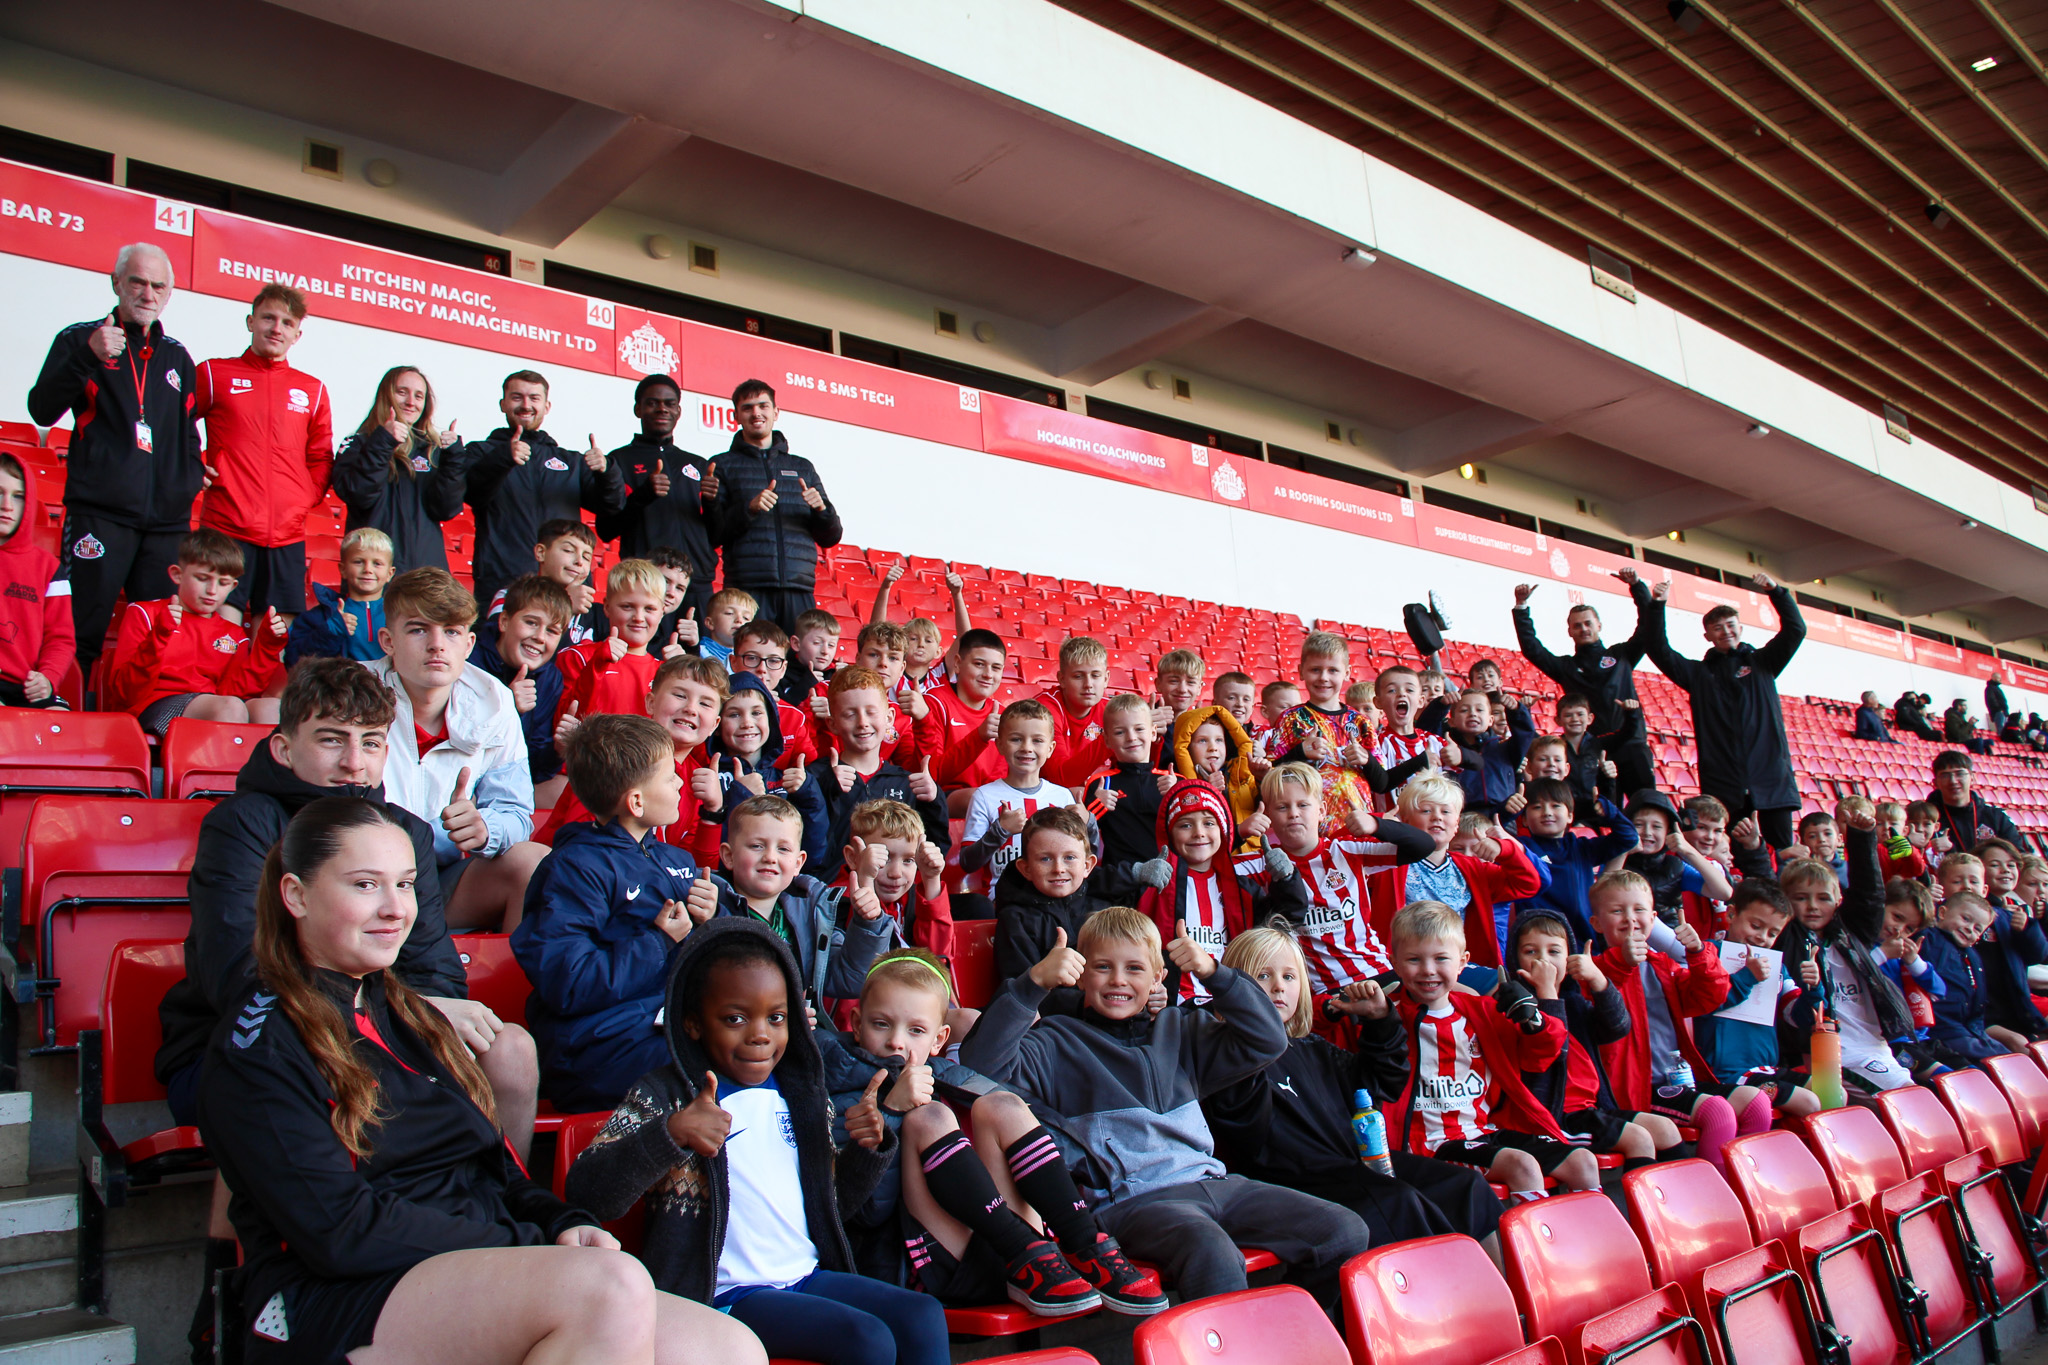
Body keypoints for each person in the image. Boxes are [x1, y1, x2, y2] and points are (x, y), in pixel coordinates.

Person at [198, 795, 759, 1365]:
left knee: (728, 1349)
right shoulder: (261, 1043)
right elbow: (338, 1231)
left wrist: (560, 1222)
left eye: (407, 884)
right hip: (331, 1295)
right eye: (365, 885)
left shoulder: (411, 1016)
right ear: (295, 895)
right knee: (606, 1290)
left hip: (466, 1259)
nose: (395, 908)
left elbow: (496, 1168)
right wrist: (529, 1248)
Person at [156, 657, 536, 1151]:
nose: (354, 763)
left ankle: (508, 1210)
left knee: (510, 1049)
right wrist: (398, 1011)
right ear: (284, 748)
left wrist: (413, 1013)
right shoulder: (244, 824)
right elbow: (239, 975)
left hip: (376, 1029)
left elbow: (436, 972)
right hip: (251, 1042)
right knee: (343, 1074)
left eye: (372, 742)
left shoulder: (406, 832)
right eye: (332, 739)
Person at [562, 918, 947, 1365]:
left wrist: (866, 1150)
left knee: (921, 1315)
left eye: (776, 1017)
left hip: (802, 1277)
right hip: (720, 1293)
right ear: (692, 1023)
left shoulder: (802, 1096)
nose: (760, 1034)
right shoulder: (665, 1096)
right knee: (866, 1339)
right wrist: (671, 1134)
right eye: (735, 1018)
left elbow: (834, 1209)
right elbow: (588, 1193)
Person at [963, 906, 1373, 1313]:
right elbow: (982, 1066)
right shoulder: (1054, 1042)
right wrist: (1033, 983)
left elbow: (1268, 1039)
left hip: (1215, 1183)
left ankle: (1283, 1339)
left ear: (1159, 976)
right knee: (1212, 1250)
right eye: (1103, 967)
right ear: (1082, 973)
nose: (1119, 980)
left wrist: (1214, 972)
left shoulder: (1181, 1030)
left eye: (1135, 969)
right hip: (1134, 1202)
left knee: (1343, 1231)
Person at [822, 947, 1163, 1316]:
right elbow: (866, 1212)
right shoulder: (845, 1097)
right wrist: (890, 1113)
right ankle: (1020, 1248)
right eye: (881, 1024)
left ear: (939, 1039)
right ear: (855, 1023)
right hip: (932, 1264)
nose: (897, 1042)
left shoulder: (952, 1076)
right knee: (929, 1116)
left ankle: (1088, 1244)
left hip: (1029, 1262)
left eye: (916, 1030)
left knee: (1002, 1103)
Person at [1204, 928, 1506, 1260]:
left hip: (1352, 1165)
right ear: (1233, 989)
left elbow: (1380, 1085)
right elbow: (1245, 1133)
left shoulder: (1312, 1048)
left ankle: (1506, 1301)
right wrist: (1254, 1036)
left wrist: (1380, 1020)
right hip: (1289, 1183)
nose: (1279, 986)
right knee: (1395, 1200)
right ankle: (1440, 1304)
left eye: (1289, 976)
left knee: (1465, 1187)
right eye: (1263, 975)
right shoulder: (1225, 1055)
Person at [513, 713, 718, 1111]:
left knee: (776, 1042)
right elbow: (568, 983)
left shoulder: (676, 859)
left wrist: (707, 919)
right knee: (724, 1064)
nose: (680, 782)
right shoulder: (573, 869)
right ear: (636, 801)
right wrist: (659, 942)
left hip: (668, 1026)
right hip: (594, 1050)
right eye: (669, 776)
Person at [27, 243, 199, 671]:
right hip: (101, 515)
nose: (147, 293)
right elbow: (41, 409)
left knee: (152, 642)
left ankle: (134, 732)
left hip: (165, 526)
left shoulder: (177, 356)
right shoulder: (79, 339)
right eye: (138, 282)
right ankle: (68, 724)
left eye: (158, 285)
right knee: (82, 630)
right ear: (116, 283)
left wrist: (190, 478)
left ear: (169, 292)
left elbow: (187, 434)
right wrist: (88, 355)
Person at [1361, 901, 1597, 1204]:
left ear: (1463, 962)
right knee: (1522, 1167)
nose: (1429, 970)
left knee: (1584, 1162)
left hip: (1486, 1131)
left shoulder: (1482, 1012)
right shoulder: (1385, 1017)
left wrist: (1533, 1019)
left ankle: (1587, 1247)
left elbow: (1542, 1055)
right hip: (1432, 1144)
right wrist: (1340, 1008)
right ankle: (1532, 1251)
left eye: (1441, 958)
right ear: (1393, 961)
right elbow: (1325, 1025)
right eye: (1414, 960)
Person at [369, 569, 546, 932]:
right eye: (419, 629)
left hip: (442, 879)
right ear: (387, 640)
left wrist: (485, 828)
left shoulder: (495, 700)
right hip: (363, 874)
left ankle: (509, 988)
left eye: (450, 631)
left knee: (533, 861)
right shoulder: (352, 692)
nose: (437, 645)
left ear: (467, 644)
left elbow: (516, 813)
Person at [192, 284, 332, 622]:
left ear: (297, 334)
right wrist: (191, 465)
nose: (276, 328)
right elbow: (174, 426)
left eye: (286, 322)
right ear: (250, 321)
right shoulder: (213, 373)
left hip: (286, 534)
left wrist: (303, 497)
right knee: (221, 635)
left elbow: (321, 456)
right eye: (268, 317)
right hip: (227, 525)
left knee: (274, 642)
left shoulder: (312, 390)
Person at [1637, 571, 1806, 853]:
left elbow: (1795, 630)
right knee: (1732, 854)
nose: (1726, 631)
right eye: (1718, 627)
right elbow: (1658, 648)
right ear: (1707, 635)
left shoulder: (1763, 663)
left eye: (1730, 625)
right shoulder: (1698, 674)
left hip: (1771, 776)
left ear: (1740, 628)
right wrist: (1657, 605)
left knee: (1783, 853)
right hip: (1724, 783)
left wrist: (1777, 592)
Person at [459, 370, 626, 612]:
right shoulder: (481, 452)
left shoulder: (571, 461)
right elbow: (472, 494)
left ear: (546, 406)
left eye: (534, 398)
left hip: (567, 585)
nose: (526, 405)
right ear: (503, 404)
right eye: (517, 397)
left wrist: (607, 472)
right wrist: (503, 458)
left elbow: (611, 507)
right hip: (504, 581)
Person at [103, 529, 287, 733]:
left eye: (223, 583)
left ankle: (260, 766)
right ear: (177, 575)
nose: (212, 590)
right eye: (202, 578)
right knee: (229, 707)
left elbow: (234, 692)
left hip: (209, 705)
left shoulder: (234, 635)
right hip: (150, 705)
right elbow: (126, 693)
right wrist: (159, 636)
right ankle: (216, 766)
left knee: (272, 708)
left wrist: (267, 647)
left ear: (233, 586)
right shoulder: (145, 613)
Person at [705, 379, 842, 630]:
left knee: (796, 663)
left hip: (798, 587)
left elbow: (831, 536)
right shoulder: (722, 464)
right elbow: (714, 533)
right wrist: (750, 509)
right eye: (747, 408)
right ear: (736, 416)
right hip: (747, 587)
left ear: (775, 413)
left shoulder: (803, 466)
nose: (756, 413)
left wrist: (822, 511)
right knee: (751, 660)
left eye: (763, 406)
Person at [1511, 578, 1656, 792]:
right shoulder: (1567, 667)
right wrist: (1521, 607)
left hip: (1632, 744)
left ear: (1599, 625)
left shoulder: (1621, 655)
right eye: (1577, 625)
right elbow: (1533, 649)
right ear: (1569, 631)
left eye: (1588, 623)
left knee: (1644, 803)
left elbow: (1647, 628)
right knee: (1602, 810)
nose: (1584, 629)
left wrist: (1637, 587)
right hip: (1592, 751)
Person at [599, 374, 721, 620]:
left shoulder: (697, 464)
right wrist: (643, 495)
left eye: (669, 403)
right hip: (647, 585)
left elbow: (717, 535)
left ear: (679, 410)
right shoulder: (619, 460)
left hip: (694, 584)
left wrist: (712, 503)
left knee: (696, 658)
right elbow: (606, 529)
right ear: (638, 409)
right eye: (653, 402)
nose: (662, 408)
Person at [330, 366, 468, 575]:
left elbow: (445, 509)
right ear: (386, 396)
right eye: (402, 392)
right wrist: (382, 442)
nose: (411, 402)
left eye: (418, 396)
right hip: (374, 577)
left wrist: (454, 458)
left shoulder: (432, 450)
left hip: (426, 579)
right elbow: (358, 494)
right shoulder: (358, 443)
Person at [470, 574, 572, 801]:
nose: (539, 637)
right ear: (504, 621)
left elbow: (534, 770)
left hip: (505, 786)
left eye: (552, 631)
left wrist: (557, 751)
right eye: (531, 623)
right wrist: (507, 708)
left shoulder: (550, 678)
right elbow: (458, 747)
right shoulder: (468, 660)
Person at [0, 449, 74, 709]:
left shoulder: (49, 568)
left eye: (18, 496)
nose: (6, 505)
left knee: (61, 726)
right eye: (0, 493)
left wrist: (47, 679)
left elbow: (61, 639)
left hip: (27, 689)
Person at [288, 527, 396, 666]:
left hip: (390, 687)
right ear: (342, 569)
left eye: (377, 563)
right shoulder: (320, 616)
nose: (368, 569)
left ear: (390, 573)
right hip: (340, 686)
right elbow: (293, 661)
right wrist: (331, 630)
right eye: (358, 562)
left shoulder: (401, 614)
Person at [1928, 749, 2022, 849]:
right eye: (1945, 775)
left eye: (1959, 774)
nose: (1953, 781)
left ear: (1972, 778)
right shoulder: (1926, 819)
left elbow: (2017, 855)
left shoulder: (1996, 817)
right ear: (1935, 783)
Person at [1986, 677, 2012, 748]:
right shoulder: (1990, 688)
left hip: (2002, 712)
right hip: (1998, 711)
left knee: (2003, 727)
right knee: (2001, 728)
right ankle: (2002, 743)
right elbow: (1991, 700)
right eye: (1998, 678)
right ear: (1994, 678)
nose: (2000, 679)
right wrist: (1999, 709)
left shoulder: (1995, 688)